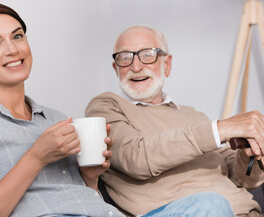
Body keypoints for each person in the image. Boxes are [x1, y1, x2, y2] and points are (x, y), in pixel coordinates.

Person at [0, 4, 233, 217]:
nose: (13, 49)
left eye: (17, 36)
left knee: (211, 204)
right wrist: (36, 157)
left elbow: (85, 198)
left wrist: (91, 177)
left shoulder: (55, 119)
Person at [85, 25, 264, 217]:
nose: (135, 67)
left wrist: (252, 154)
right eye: (125, 57)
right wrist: (221, 128)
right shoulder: (106, 106)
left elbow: (244, 180)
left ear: (167, 64)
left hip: (244, 212)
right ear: (115, 67)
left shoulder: (194, 115)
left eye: (147, 54)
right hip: (185, 211)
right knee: (211, 203)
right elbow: (135, 158)